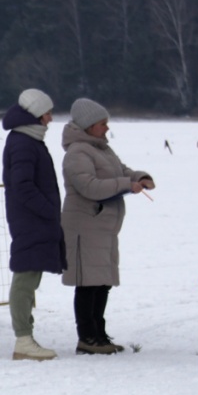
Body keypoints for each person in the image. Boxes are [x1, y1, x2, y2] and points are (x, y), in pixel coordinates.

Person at [60, 98, 155, 354]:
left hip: (103, 227)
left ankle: (99, 335)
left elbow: (121, 171)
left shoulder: (102, 149)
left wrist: (140, 177)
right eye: (102, 124)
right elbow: (89, 186)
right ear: (89, 125)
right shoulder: (78, 153)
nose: (107, 128)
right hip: (85, 227)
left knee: (102, 282)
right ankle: (87, 338)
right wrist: (126, 185)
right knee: (87, 283)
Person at [1, 88, 67, 361]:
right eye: (47, 113)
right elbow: (23, 185)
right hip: (30, 221)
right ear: (37, 114)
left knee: (30, 277)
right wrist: (48, 210)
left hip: (34, 220)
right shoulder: (23, 143)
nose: (51, 118)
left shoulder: (29, 139)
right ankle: (23, 340)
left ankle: (26, 337)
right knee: (25, 279)